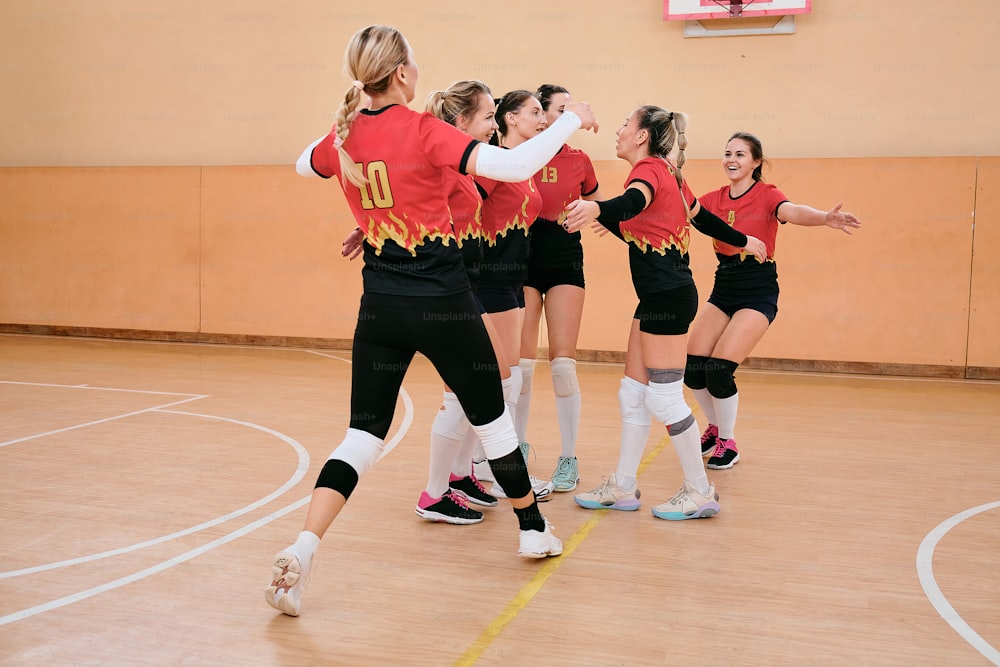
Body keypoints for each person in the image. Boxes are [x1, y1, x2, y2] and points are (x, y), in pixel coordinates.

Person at [265, 25, 598, 617]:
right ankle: (532, 530)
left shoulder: (342, 134)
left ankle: (304, 546)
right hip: (443, 305)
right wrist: (573, 120)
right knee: (493, 420)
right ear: (400, 74)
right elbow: (518, 160)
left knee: (362, 436)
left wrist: (373, 207)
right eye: (413, 63)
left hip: (379, 310)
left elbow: (301, 165)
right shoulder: (423, 128)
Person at [562, 106, 764, 521]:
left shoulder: (650, 170)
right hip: (657, 298)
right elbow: (700, 218)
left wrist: (600, 209)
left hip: (668, 297)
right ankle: (622, 485)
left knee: (665, 397)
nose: (618, 131)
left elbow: (635, 201)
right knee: (632, 393)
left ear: (641, 137)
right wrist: (744, 239)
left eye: (625, 125)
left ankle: (700, 491)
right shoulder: (669, 173)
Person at [685, 132, 860, 469]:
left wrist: (825, 217)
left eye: (740, 154)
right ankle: (714, 426)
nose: (731, 160)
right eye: (727, 153)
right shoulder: (713, 199)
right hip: (724, 287)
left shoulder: (767, 195)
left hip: (758, 288)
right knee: (693, 368)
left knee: (719, 370)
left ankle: (728, 441)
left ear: (756, 162)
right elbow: (680, 206)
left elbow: (793, 211)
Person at [469, 90, 556, 501]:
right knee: (497, 383)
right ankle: (488, 469)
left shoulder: (524, 166)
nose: (542, 119)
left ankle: (478, 466)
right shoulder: (491, 164)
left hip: (512, 280)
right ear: (508, 118)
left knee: (512, 378)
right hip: (486, 279)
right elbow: (454, 206)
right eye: (535, 112)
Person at [516, 84, 603, 493]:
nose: (569, 114)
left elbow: (600, 207)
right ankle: (515, 449)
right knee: (523, 366)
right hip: (524, 256)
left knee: (563, 365)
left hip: (565, 255)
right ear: (543, 114)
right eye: (560, 108)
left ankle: (569, 457)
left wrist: (595, 214)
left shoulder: (580, 160)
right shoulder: (521, 155)